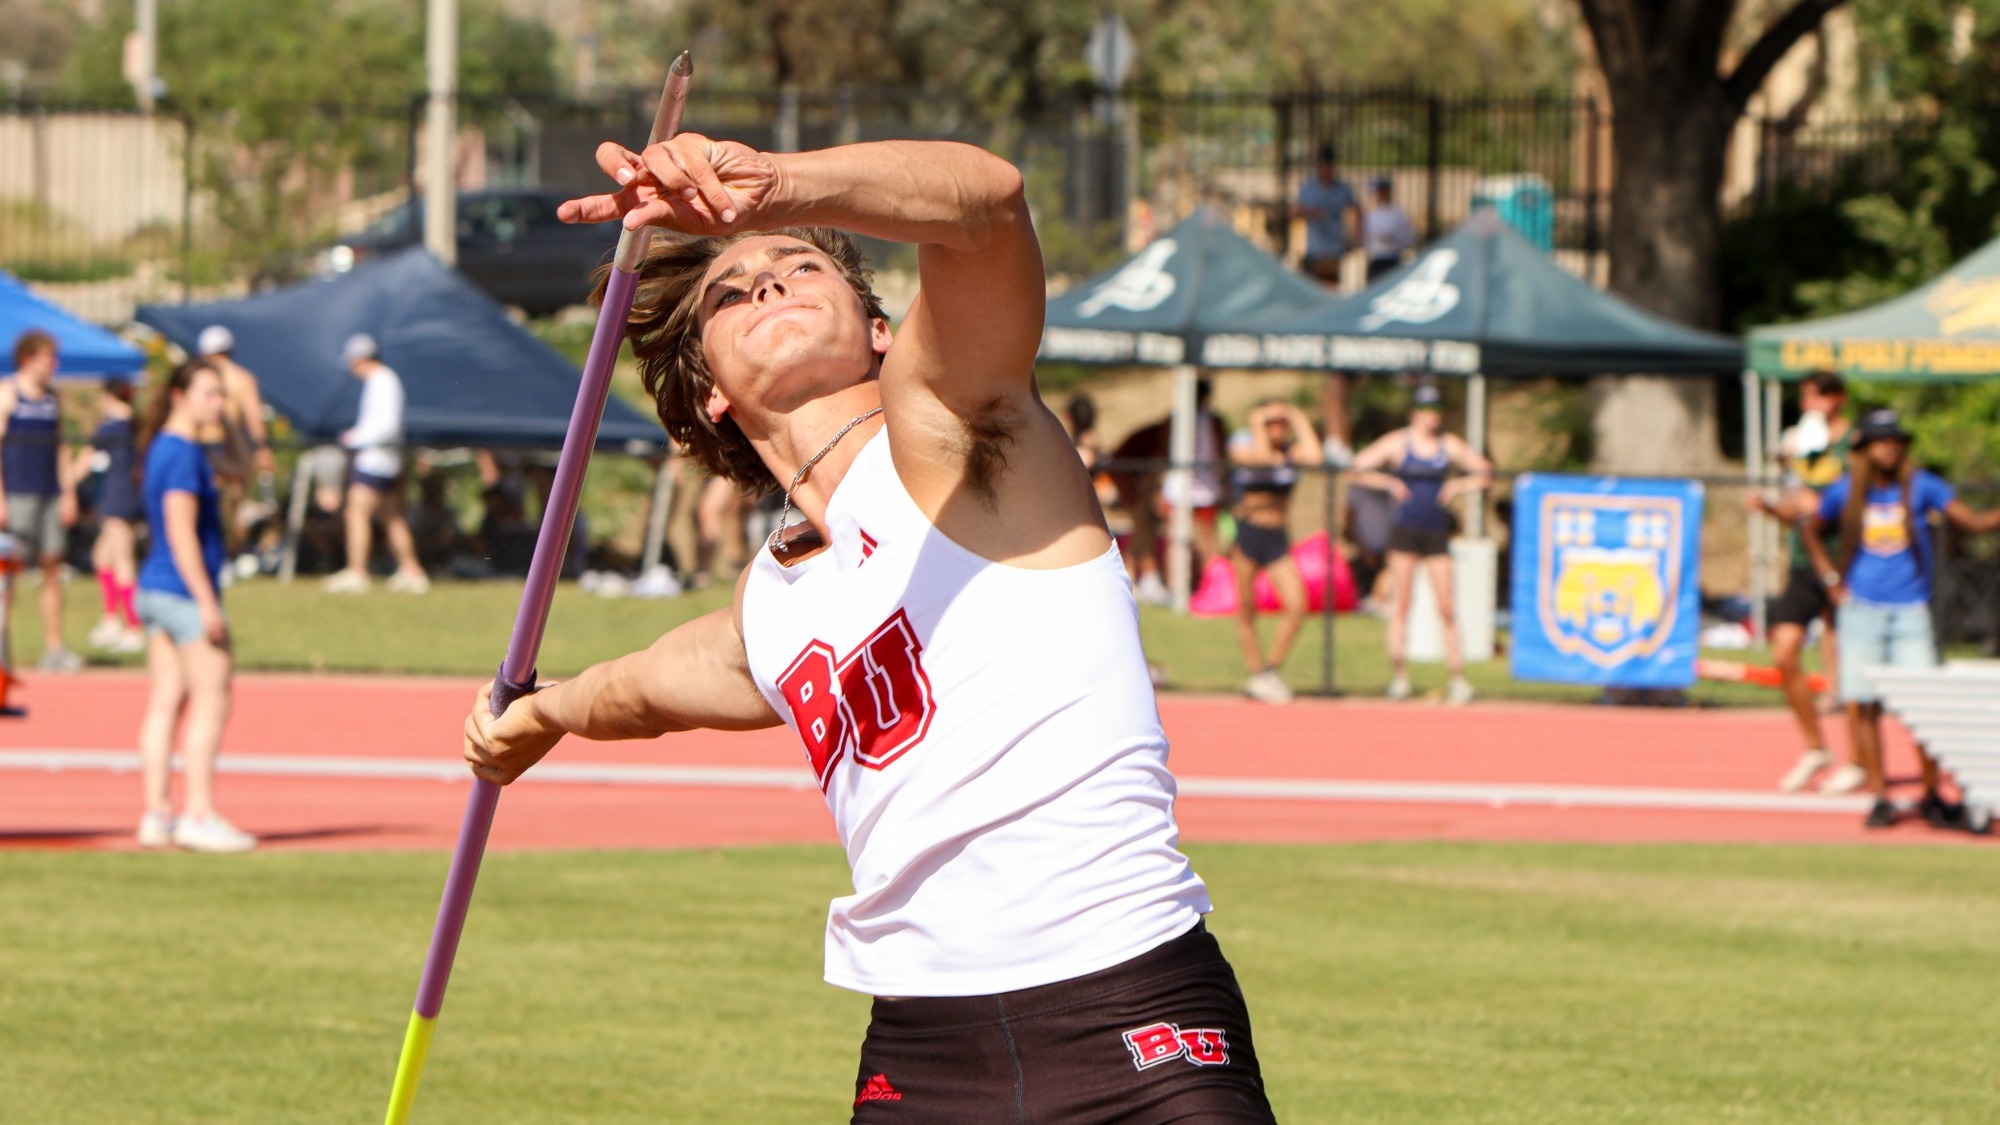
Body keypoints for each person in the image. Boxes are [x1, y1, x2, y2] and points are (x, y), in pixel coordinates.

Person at [462, 133, 1275, 1120]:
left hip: (1127, 1009)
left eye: (797, 264)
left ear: (881, 330)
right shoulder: (772, 603)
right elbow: (642, 685)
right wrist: (538, 717)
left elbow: (987, 206)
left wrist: (770, 191)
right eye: (731, 291)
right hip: (923, 1056)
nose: (766, 281)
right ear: (710, 391)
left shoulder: (957, 433)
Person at [1804, 409, 2000, 830]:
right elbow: (1812, 527)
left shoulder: (1922, 486)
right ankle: (1880, 796)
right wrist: (1830, 577)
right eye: (1880, 440)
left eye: (1895, 440)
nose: (1889, 447)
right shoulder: (1846, 491)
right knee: (1865, 704)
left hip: (1911, 608)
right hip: (1862, 609)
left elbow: (1975, 522)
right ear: (1864, 448)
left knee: (1927, 708)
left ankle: (1931, 794)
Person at [134, 359, 256, 853]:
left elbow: (244, 466)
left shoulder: (172, 447)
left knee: (166, 701)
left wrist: (224, 419)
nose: (218, 404)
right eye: (209, 394)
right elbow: (181, 533)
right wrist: (207, 603)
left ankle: (157, 812)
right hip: (182, 592)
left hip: (155, 590)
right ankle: (198, 813)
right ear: (180, 395)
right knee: (212, 699)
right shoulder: (182, 454)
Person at [1746, 370, 1857, 793]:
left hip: (1845, 562)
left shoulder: (1854, 445)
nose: (1811, 404)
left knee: (1844, 665)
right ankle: (1816, 748)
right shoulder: (1801, 447)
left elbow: (1856, 500)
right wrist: (1772, 509)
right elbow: (1798, 508)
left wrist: (1826, 504)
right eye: (1807, 397)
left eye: (1819, 396)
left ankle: (1858, 759)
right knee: (1784, 653)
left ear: (1838, 399)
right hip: (1804, 562)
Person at [1349, 383, 1491, 706]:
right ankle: (1399, 677)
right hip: (1405, 531)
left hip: (1436, 532)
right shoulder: (1399, 443)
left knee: (1447, 607)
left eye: (1436, 410)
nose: (1431, 417)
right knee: (1402, 604)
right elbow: (1355, 468)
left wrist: (1458, 486)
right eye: (1426, 410)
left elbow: (1486, 471)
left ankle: (1458, 678)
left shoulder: (1448, 445)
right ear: (1414, 413)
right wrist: (1388, 482)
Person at [1227, 399, 1322, 706]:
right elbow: (1263, 460)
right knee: (1247, 609)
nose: (1278, 429)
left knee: (1297, 604)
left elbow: (1316, 457)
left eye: (1281, 423)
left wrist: (1296, 415)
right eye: (1272, 423)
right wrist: (1258, 422)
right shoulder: (1245, 443)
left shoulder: (1291, 452)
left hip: (1277, 537)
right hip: (1248, 534)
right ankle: (1256, 671)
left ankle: (1269, 670)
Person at [0, 330, 83, 672]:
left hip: (49, 493)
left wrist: (68, 492)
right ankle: (4, 652)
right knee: (8, 575)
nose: (54, 365)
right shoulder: (8, 393)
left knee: (52, 568)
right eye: (48, 358)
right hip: (17, 495)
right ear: (28, 358)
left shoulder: (52, 398)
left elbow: (61, 448)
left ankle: (54, 647)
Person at [323, 333, 429, 594]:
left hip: (377, 460)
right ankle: (412, 570)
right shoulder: (382, 381)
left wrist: (356, 438)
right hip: (385, 459)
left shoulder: (383, 382)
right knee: (392, 517)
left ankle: (357, 571)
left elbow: (387, 426)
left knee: (356, 513)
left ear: (360, 359)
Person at [193, 325, 275, 557]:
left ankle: (213, 553)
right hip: (233, 450)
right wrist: (262, 449)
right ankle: (232, 555)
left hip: (206, 447)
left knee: (207, 505)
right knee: (235, 507)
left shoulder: (200, 378)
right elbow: (254, 420)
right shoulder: (243, 378)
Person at [82, 375, 145, 653]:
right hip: (124, 494)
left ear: (109, 397)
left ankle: (134, 626)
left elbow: (85, 459)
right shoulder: (138, 424)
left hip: (118, 495)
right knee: (101, 556)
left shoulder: (113, 427)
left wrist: (66, 489)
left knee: (122, 560)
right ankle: (111, 620)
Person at [1294, 144, 1359, 288]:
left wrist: (1355, 236)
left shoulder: (1342, 189)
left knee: (1330, 290)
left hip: (1334, 251)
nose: (1325, 170)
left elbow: (1356, 211)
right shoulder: (1309, 189)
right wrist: (1310, 213)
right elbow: (1295, 212)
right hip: (1314, 250)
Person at [1361, 176, 1415, 282]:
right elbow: (1365, 240)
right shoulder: (1371, 215)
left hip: (1393, 259)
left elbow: (1408, 239)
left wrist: (1393, 240)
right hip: (1376, 260)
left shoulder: (1398, 214)